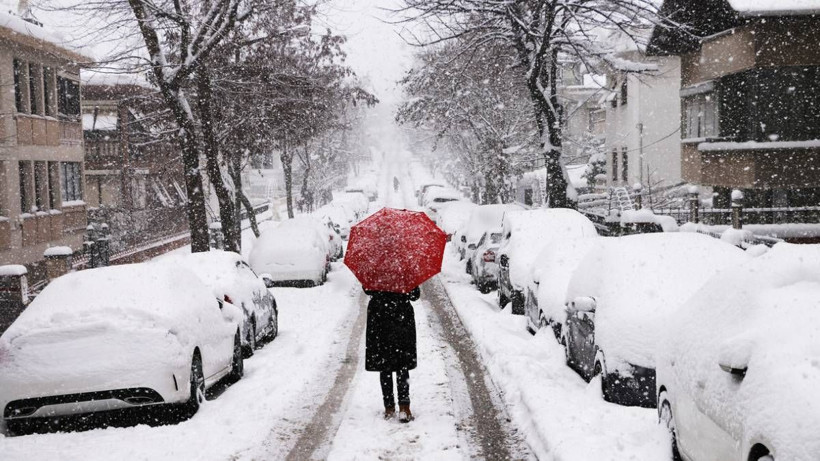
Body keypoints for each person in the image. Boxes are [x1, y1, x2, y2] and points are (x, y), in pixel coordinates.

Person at [364, 286, 421, 423]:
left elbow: (367, 289)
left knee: (385, 365)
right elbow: (415, 295)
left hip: (380, 319)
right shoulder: (405, 274)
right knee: (401, 365)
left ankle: (389, 407)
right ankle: (404, 407)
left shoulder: (375, 274)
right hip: (401, 319)